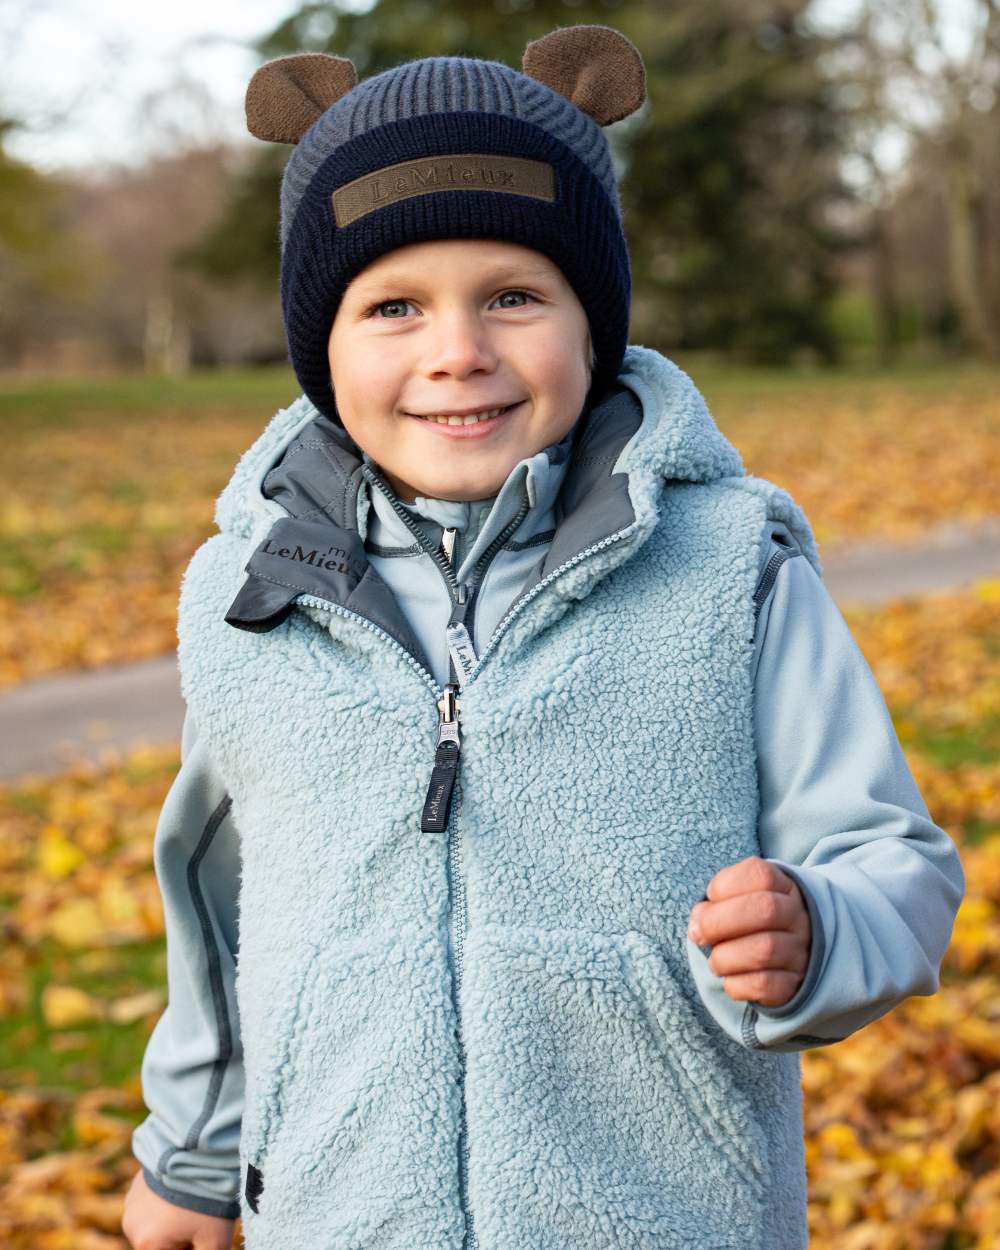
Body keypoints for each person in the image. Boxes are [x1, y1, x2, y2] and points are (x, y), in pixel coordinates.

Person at [123, 26, 965, 1250]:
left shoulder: (730, 574)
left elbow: (893, 855)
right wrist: (196, 1154)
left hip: (665, 1213)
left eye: (513, 296)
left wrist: (820, 925)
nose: (456, 350)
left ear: (593, 319)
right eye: (393, 306)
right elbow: (219, 903)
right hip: (343, 1213)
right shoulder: (252, 598)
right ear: (321, 346)